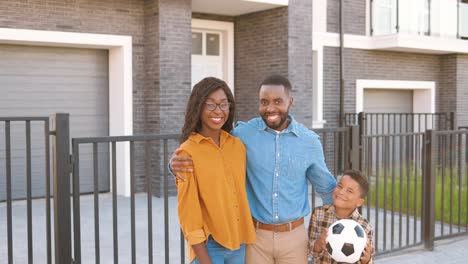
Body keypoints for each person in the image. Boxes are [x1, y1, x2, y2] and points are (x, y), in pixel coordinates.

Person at [171, 74, 337, 264]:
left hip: (291, 238)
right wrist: (174, 164)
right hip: (255, 238)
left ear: (290, 101)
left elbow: (327, 189)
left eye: (277, 101)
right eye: (264, 102)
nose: (270, 108)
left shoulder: (309, 142)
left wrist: (350, 225)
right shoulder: (243, 135)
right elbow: (207, 148)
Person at [176, 77, 255, 264]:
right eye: (210, 105)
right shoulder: (187, 152)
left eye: (223, 104)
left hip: (239, 245)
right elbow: (189, 214)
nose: (218, 111)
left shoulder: (237, 146)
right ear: (198, 107)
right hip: (209, 249)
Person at [308, 169, 374, 264]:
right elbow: (310, 253)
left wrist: (367, 260)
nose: (341, 192)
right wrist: (318, 244)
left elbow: (368, 259)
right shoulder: (319, 214)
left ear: (359, 202)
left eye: (349, 191)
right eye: (340, 186)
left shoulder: (365, 226)